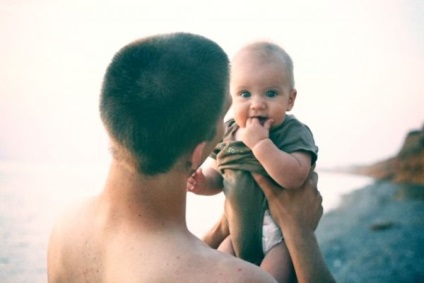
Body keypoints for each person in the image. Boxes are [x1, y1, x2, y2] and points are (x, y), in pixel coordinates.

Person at [47, 32, 334, 282]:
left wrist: (225, 224)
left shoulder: (65, 228)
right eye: (235, 103)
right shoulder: (238, 277)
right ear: (199, 152)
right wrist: (301, 234)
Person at [187, 41, 318, 282]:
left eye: (271, 93)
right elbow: (219, 174)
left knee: (266, 279)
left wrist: (261, 145)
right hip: (237, 235)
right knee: (216, 272)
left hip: (281, 238)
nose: (257, 103)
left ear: (290, 99)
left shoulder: (292, 132)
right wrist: (202, 183)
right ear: (231, 98)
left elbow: (296, 177)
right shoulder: (228, 133)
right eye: (245, 94)